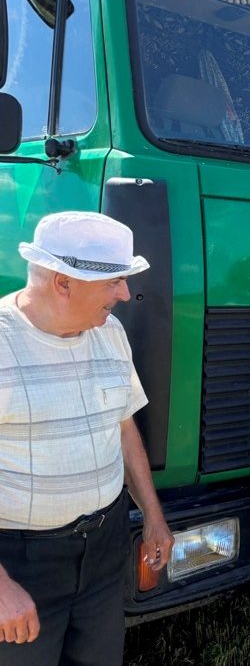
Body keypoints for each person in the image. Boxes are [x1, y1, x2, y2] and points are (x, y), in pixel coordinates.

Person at [0, 211, 174, 666]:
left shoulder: (110, 333)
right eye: (113, 282)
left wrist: (153, 516)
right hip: (20, 562)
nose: (124, 294)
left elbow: (122, 425)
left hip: (104, 550)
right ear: (62, 282)